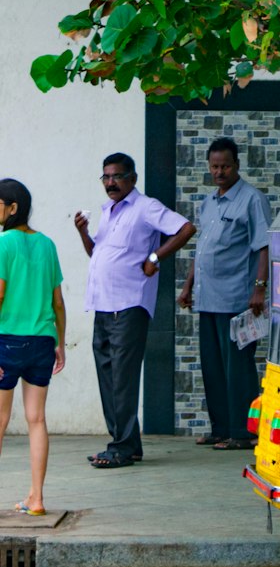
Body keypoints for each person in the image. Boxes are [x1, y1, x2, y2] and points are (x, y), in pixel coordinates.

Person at [75, 153, 195, 469]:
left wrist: (155, 257)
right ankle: (128, 443)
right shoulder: (110, 212)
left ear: (133, 178)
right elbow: (96, 254)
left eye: (117, 176)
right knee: (108, 376)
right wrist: (83, 233)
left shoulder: (146, 207)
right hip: (103, 305)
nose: (111, 183)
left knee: (122, 378)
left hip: (128, 305)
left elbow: (185, 228)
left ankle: (121, 447)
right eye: (106, 177)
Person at [178, 137, 271, 451]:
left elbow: (264, 247)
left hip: (237, 299)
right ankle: (220, 429)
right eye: (214, 166)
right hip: (208, 299)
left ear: (237, 166)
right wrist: (188, 285)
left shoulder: (252, 200)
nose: (219, 172)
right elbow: (202, 250)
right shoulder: (208, 202)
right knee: (213, 368)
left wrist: (260, 289)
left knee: (238, 369)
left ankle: (242, 433)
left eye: (225, 166)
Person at [0, 180, 65, 515]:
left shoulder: (2, 243)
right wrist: (60, 344)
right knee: (36, 419)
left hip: (7, 341)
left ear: (13, 207)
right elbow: (58, 303)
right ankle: (36, 499)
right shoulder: (47, 244)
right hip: (42, 341)